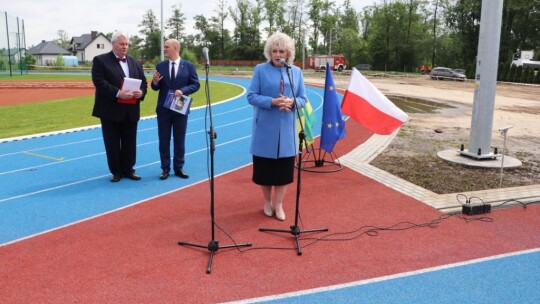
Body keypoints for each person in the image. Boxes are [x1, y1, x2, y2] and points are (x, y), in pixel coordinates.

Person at [247, 32, 307, 221]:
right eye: (274, 51)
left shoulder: (295, 72)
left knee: (283, 172)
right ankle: (266, 201)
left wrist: (291, 102)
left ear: (288, 53)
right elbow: (251, 96)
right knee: (265, 171)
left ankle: (279, 205)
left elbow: (303, 98)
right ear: (269, 52)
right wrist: (272, 101)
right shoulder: (260, 70)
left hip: (287, 131)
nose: (278, 54)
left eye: (282, 51)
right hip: (265, 128)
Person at [91, 31, 147, 182]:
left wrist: (141, 93)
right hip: (110, 110)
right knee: (112, 142)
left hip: (131, 110)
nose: (125, 47)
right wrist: (118, 93)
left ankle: (129, 169)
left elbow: (143, 83)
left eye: (127, 44)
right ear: (113, 43)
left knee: (130, 142)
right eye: (122, 44)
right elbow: (100, 82)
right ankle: (116, 171)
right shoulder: (100, 60)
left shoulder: (135, 62)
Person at [151, 39, 200, 180]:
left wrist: (183, 90)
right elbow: (155, 88)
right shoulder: (160, 66)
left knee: (179, 140)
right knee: (164, 140)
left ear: (175, 48)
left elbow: (195, 85)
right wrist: (154, 82)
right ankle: (165, 169)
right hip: (164, 110)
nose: (164, 49)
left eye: (167, 47)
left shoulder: (189, 66)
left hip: (180, 108)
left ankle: (179, 168)